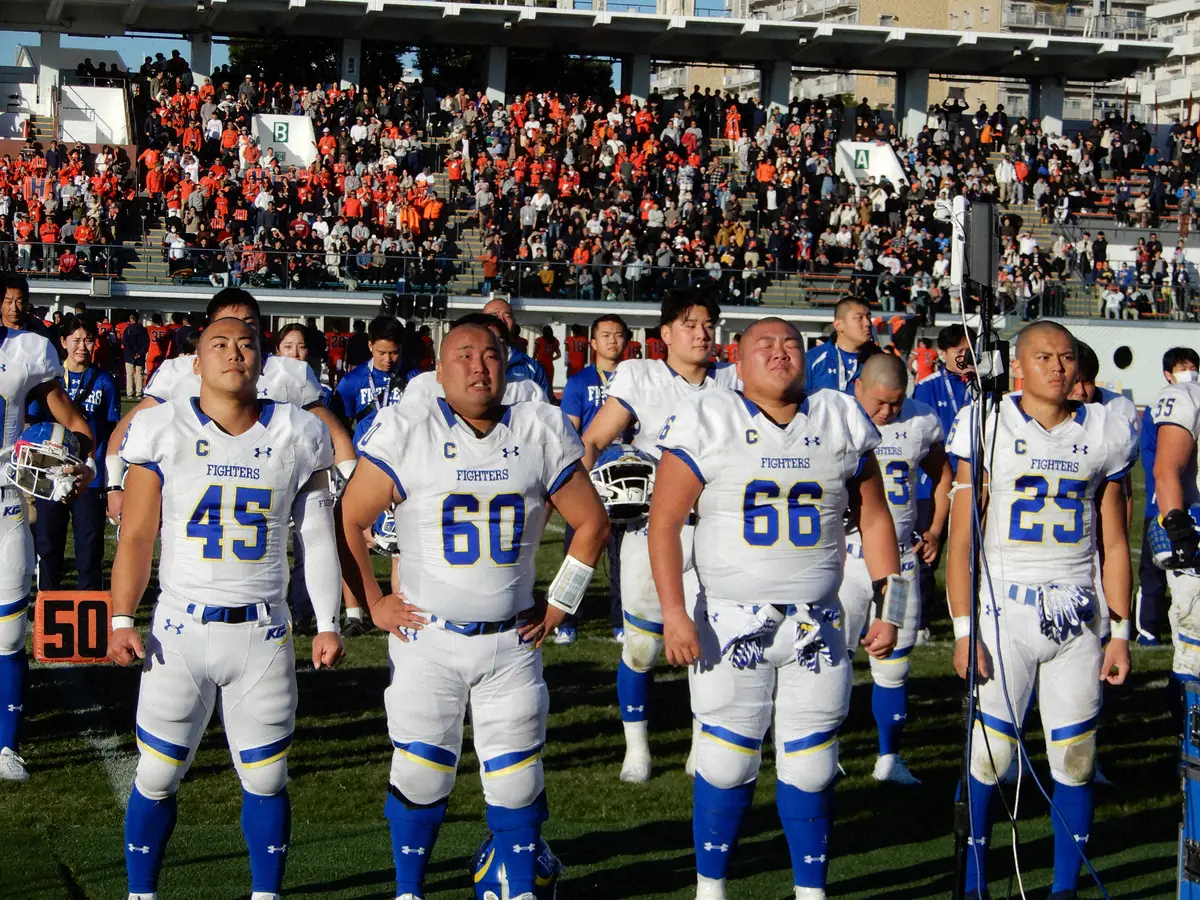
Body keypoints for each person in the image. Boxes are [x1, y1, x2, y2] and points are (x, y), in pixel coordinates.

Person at [336, 318, 609, 900]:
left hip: (511, 641)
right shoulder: (409, 427)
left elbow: (592, 524)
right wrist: (373, 602)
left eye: (491, 355)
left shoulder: (538, 428)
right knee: (420, 772)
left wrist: (561, 601)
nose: (479, 366)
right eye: (463, 354)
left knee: (516, 778)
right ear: (439, 368)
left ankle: (519, 888)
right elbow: (350, 518)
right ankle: (409, 890)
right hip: (426, 638)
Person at [650, 317, 903, 900]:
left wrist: (894, 606)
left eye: (791, 343)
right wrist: (673, 612)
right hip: (730, 619)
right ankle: (709, 889)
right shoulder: (709, 417)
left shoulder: (840, 416)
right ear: (737, 359)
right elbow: (664, 524)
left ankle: (810, 892)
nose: (781, 352)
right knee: (725, 763)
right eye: (765, 344)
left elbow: (876, 517)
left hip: (816, 619)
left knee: (814, 764)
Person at [108, 316, 344, 900]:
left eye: (247, 345)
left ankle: (266, 895)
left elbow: (317, 537)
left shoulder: (298, 431)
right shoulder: (163, 427)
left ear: (263, 361)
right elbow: (137, 535)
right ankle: (141, 894)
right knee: (158, 774)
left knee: (266, 777)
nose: (234, 353)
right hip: (180, 627)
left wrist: (329, 622)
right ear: (196, 362)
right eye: (219, 344)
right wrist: (120, 618)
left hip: (262, 629)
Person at [946, 321, 1136, 900]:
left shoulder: (1107, 428)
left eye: (1067, 357)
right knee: (990, 754)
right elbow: (961, 538)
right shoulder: (987, 421)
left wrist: (1122, 631)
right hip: (1006, 608)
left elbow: (1116, 539)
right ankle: (975, 886)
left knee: (1076, 759)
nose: (1058, 366)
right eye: (1044, 356)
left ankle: (1063, 890)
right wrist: (961, 627)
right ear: (1019, 367)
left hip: (1078, 613)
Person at [104, 289, 363, 626]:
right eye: (225, 333)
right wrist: (113, 483)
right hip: (193, 501)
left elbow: (334, 435)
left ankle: (319, 616)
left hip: (270, 493)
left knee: (310, 546)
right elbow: (130, 427)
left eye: (248, 329)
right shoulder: (178, 374)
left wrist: (356, 496)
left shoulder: (289, 375)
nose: (236, 347)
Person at [580, 292, 740, 783]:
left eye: (709, 323)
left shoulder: (734, 382)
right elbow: (592, 440)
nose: (702, 332)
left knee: (711, 646)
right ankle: (637, 748)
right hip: (652, 529)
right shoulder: (641, 376)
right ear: (665, 334)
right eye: (690, 324)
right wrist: (582, 503)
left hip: (716, 528)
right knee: (642, 648)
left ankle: (700, 746)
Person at [0, 274, 95, 782]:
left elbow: (73, 424)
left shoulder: (31, 349)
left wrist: (77, 458)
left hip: (4, 501)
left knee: (10, 631)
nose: (15, 308)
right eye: (8, 300)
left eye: (19, 300)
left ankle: (6, 746)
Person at [841, 350, 950, 784]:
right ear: (858, 389)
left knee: (895, 663)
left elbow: (944, 474)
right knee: (830, 660)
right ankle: (824, 750)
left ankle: (889, 758)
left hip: (901, 562)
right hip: (843, 561)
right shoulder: (833, 415)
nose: (887, 413)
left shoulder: (922, 420)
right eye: (880, 403)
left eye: (896, 403)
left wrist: (936, 528)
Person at [31, 316, 120, 591]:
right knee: (47, 544)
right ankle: (48, 602)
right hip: (50, 472)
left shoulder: (105, 381)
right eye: (76, 339)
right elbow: (34, 424)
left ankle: (90, 607)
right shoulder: (49, 381)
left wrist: (105, 472)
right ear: (63, 342)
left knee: (90, 547)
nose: (82, 346)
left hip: (90, 476)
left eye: (88, 339)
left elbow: (110, 431)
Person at [557, 314, 630, 645]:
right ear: (594, 343)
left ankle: (621, 620)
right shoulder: (579, 382)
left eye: (618, 334)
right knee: (578, 552)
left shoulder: (636, 379)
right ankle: (567, 620)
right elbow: (570, 431)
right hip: (588, 477)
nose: (613, 340)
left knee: (622, 556)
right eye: (606, 335)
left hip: (629, 479)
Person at [1135, 347, 1199, 645]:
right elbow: (1159, 463)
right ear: (1168, 373)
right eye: (1183, 366)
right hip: (1167, 502)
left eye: (1192, 366)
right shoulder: (1173, 400)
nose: (1190, 371)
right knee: (1154, 570)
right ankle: (1147, 629)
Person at [332, 316, 407, 438]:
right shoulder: (351, 381)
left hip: (400, 452)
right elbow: (338, 427)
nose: (387, 360)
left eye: (394, 353)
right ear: (370, 346)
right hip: (364, 454)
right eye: (381, 353)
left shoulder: (414, 378)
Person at [481, 297, 551, 395]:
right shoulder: (466, 362)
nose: (502, 320)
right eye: (494, 315)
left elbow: (544, 408)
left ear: (514, 322)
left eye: (507, 316)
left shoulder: (533, 368)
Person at [805, 297, 873, 393]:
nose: (868, 323)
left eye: (868, 317)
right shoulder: (812, 359)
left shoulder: (880, 361)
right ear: (838, 325)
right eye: (859, 318)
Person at [122, 312, 150, 400]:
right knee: (139, 374)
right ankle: (139, 392)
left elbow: (125, 343)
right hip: (140, 355)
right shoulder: (143, 330)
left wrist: (132, 353)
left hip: (129, 355)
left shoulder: (127, 330)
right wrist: (140, 353)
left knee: (129, 374)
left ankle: (129, 392)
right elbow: (146, 343)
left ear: (131, 319)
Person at [534, 325, 561, 390]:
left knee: (539, 382)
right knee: (549, 383)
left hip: (540, 364)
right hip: (549, 365)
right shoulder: (555, 341)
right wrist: (551, 359)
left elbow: (535, 352)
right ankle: (549, 398)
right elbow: (559, 355)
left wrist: (532, 361)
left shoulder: (539, 340)